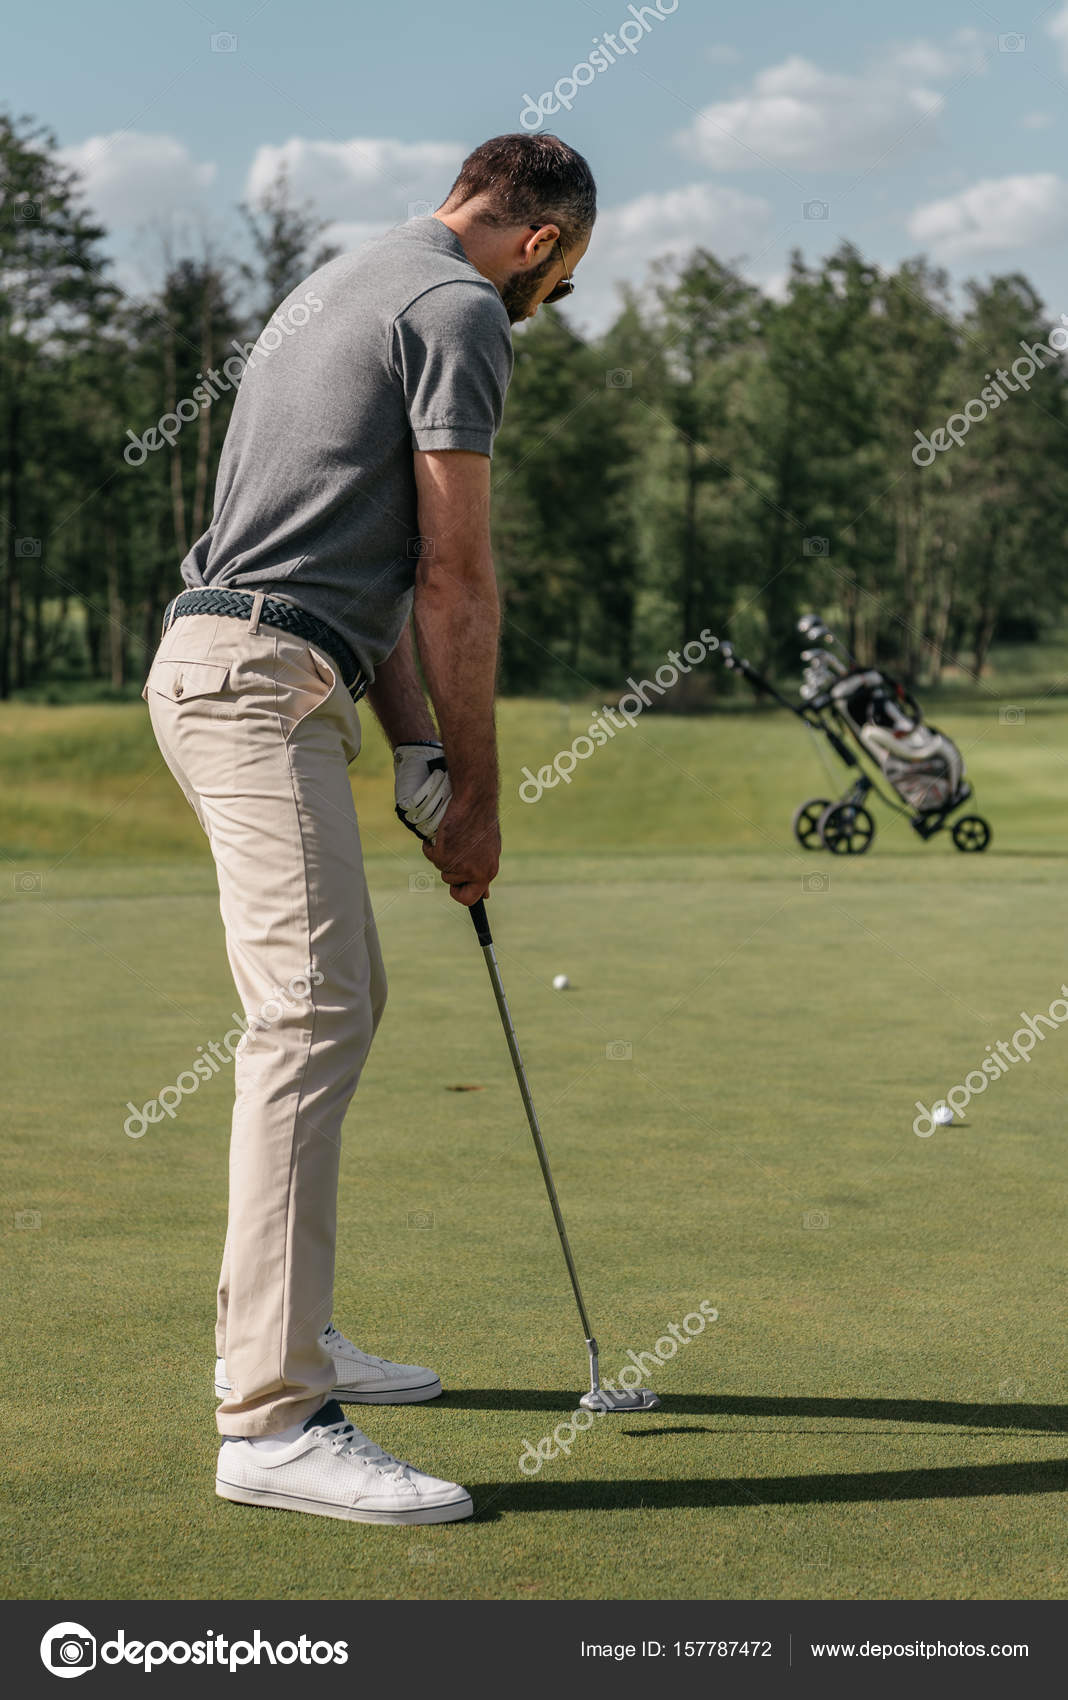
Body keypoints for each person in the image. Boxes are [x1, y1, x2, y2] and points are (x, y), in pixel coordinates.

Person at [143, 132, 596, 1526]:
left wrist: (413, 746)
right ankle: (272, 1418)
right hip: (254, 680)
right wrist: (479, 794)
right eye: (560, 281)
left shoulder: (350, 281)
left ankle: (293, 1330)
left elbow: (356, 569)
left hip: (266, 661)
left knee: (343, 996)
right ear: (542, 239)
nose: (546, 303)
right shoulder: (460, 310)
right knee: (313, 1012)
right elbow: (459, 578)